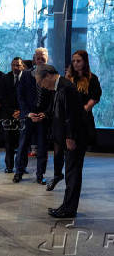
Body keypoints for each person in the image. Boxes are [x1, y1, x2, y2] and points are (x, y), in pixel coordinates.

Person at [34, 64, 85, 218]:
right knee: (70, 174)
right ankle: (67, 206)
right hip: (69, 138)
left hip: (74, 138)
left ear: (48, 75)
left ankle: (69, 210)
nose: (42, 86)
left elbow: (72, 115)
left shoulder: (66, 88)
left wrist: (70, 137)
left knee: (72, 174)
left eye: (41, 83)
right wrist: (44, 115)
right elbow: (59, 110)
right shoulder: (60, 86)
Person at [47, 50, 102, 191]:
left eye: (79, 61)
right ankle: (57, 175)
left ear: (85, 62)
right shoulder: (68, 78)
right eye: (74, 61)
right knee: (58, 150)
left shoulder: (92, 79)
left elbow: (94, 98)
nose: (76, 63)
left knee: (75, 157)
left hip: (81, 120)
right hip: (65, 120)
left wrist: (83, 108)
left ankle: (71, 187)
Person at [14, 47, 51, 184]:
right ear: (34, 58)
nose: (40, 59)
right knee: (23, 146)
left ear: (47, 58)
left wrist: (45, 113)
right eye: (38, 57)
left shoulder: (53, 75)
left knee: (42, 148)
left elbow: (54, 98)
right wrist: (28, 113)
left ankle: (40, 175)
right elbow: (20, 96)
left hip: (43, 117)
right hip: (28, 116)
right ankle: (18, 172)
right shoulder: (25, 74)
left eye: (43, 57)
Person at [2, 57, 25, 173]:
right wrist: (12, 112)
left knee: (23, 142)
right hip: (8, 114)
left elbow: (29, 97)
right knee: (9, 142)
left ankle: (21, 167)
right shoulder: (5, 78)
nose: (16, 67)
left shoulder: (28, 78)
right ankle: (9, 166)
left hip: (23, 114)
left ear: (23, 66)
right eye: (14, 65)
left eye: (18, 65)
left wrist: (21, 111)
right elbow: (3, 98)